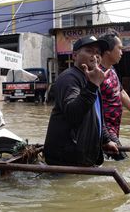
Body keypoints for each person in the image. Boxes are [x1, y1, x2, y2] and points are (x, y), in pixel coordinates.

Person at [43, 35, 119, 166]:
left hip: (82, 155)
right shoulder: (69, 78)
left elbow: (97, 115)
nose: (95, 56)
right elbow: (73, 114)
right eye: (89, 51)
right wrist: (93, 86)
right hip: (66, 160)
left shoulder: (92, 78)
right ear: (74, 56)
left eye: (98, 53)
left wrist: (106, 139)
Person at [98, 31, 130, 141]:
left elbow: (121, 93)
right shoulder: (96, 74)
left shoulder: (111, 70)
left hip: (114, 127)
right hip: (103, 130)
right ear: (107, 50)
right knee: (123, 158)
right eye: (119, 48)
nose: (122, 53)